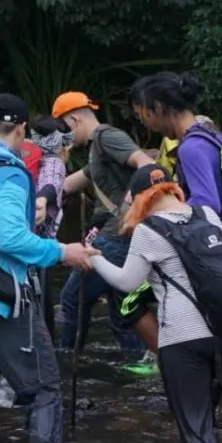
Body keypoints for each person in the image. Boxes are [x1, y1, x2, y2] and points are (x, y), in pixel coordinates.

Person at [0, 93, 95, 443]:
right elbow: (11, 238)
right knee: (43, 392)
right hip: (2, 296)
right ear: (21, 130)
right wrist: (64, 251)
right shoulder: (9, 174)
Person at [129, 71, 222, 401]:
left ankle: (180, 372)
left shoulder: (191, 148)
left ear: (158, 107)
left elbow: (209, 204)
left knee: (128, 301)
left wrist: (166, 210)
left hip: (210, 257)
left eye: (142, 111)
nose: (143, 119)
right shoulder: (212, 136)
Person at [88, 164, 222, 443]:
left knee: (196, 437)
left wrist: (93, 256)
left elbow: (127, 282)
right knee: (211, 423)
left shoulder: (148, 230)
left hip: (182, 338)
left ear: (141, 199)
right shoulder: (208, 215)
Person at [51, 91, 156, 370]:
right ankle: (141, 365)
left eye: (63, 130)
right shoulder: (97, 150)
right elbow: (74, 182)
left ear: (74, 120)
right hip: (122, 235)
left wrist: (131, 205)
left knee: (72, 298)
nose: (64, 138)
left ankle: (67, 362)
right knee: (120, 307)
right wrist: (40, 194)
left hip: (118, 235)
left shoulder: (107, 137)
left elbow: (148, 165)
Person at [29, 115, 71, 239]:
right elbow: (50, 183)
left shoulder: (28, 158)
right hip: (40, 234)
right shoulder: (55, 162)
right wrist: (42, 199)